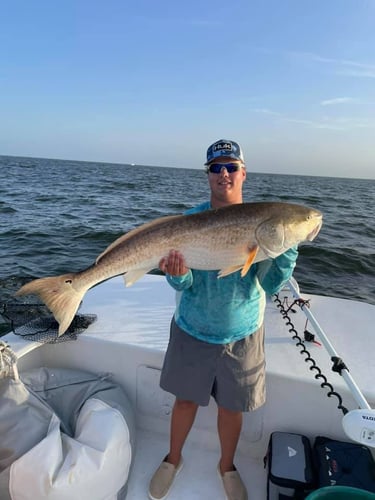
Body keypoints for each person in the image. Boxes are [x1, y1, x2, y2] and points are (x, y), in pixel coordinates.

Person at [148, 139, 298, 500]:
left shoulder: (265, 225)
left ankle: (226, 466)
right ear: (209, 176)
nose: (224, 174)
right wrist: (177, 273)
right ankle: (173, 459)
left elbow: (268, 283)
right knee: (184, 402)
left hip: (242, 333)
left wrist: (286, 254)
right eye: (217, 168)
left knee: (232, 409)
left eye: (231, 167)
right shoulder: (191, 220)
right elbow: (183, 283)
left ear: (244, 173)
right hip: (193, 329)